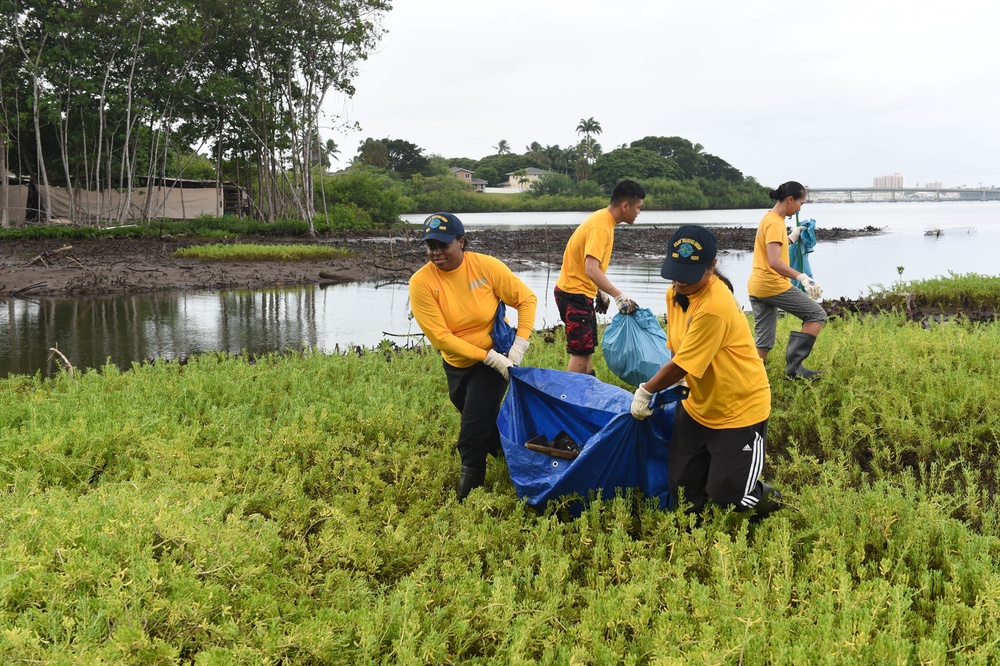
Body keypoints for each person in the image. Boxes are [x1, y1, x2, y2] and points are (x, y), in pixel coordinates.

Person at [630, 225, 780, 519]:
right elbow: (677, 350)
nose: (679, 282)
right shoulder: (674, 294)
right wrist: (680, 389)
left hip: (739, 409)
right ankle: (693, 538)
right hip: (698, 406)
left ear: (712, 265)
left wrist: (646, 391)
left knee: (730, 496)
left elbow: (682, 365)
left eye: (689, 274)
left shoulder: (715, 306)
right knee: (683, 490)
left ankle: (769, 499)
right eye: (675, 272)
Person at [409, 212, 538, 500]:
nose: (436, 252)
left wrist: (519, 346)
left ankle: (467, 502)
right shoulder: (421, 282)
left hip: (496, 358)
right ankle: (524, 460)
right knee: (481, 422)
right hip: (457, 362)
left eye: (443, 245)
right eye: (430, 246)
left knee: (470, 435)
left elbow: (526, 299)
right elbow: (441, 338)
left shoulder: (486, 267)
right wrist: (487, 357)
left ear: (461, 242)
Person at [554, 179, 645, 374]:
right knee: (579, 352)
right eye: (638, 208)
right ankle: (571, 398)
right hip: (573, 294)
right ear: (625, 206)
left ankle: (587, 393)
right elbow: (591, 269)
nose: (638, 213)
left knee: (586, 350)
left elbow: (590, 269)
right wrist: (618, 296)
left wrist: (600, 290)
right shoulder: (600, 226)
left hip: (579, 293)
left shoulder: (604, 221)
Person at [747, 181, 828, 379]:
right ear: (790, 199)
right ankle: (794, 370)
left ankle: (752, 378)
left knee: (764, 339)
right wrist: (802, 277)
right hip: (771, 283)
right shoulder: (775, 223)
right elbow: (774, 262)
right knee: (816, 315)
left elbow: (774, 249)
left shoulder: (770, 218)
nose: (801, 207)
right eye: (801, 203)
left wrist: (793, 236)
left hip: (757, 285)